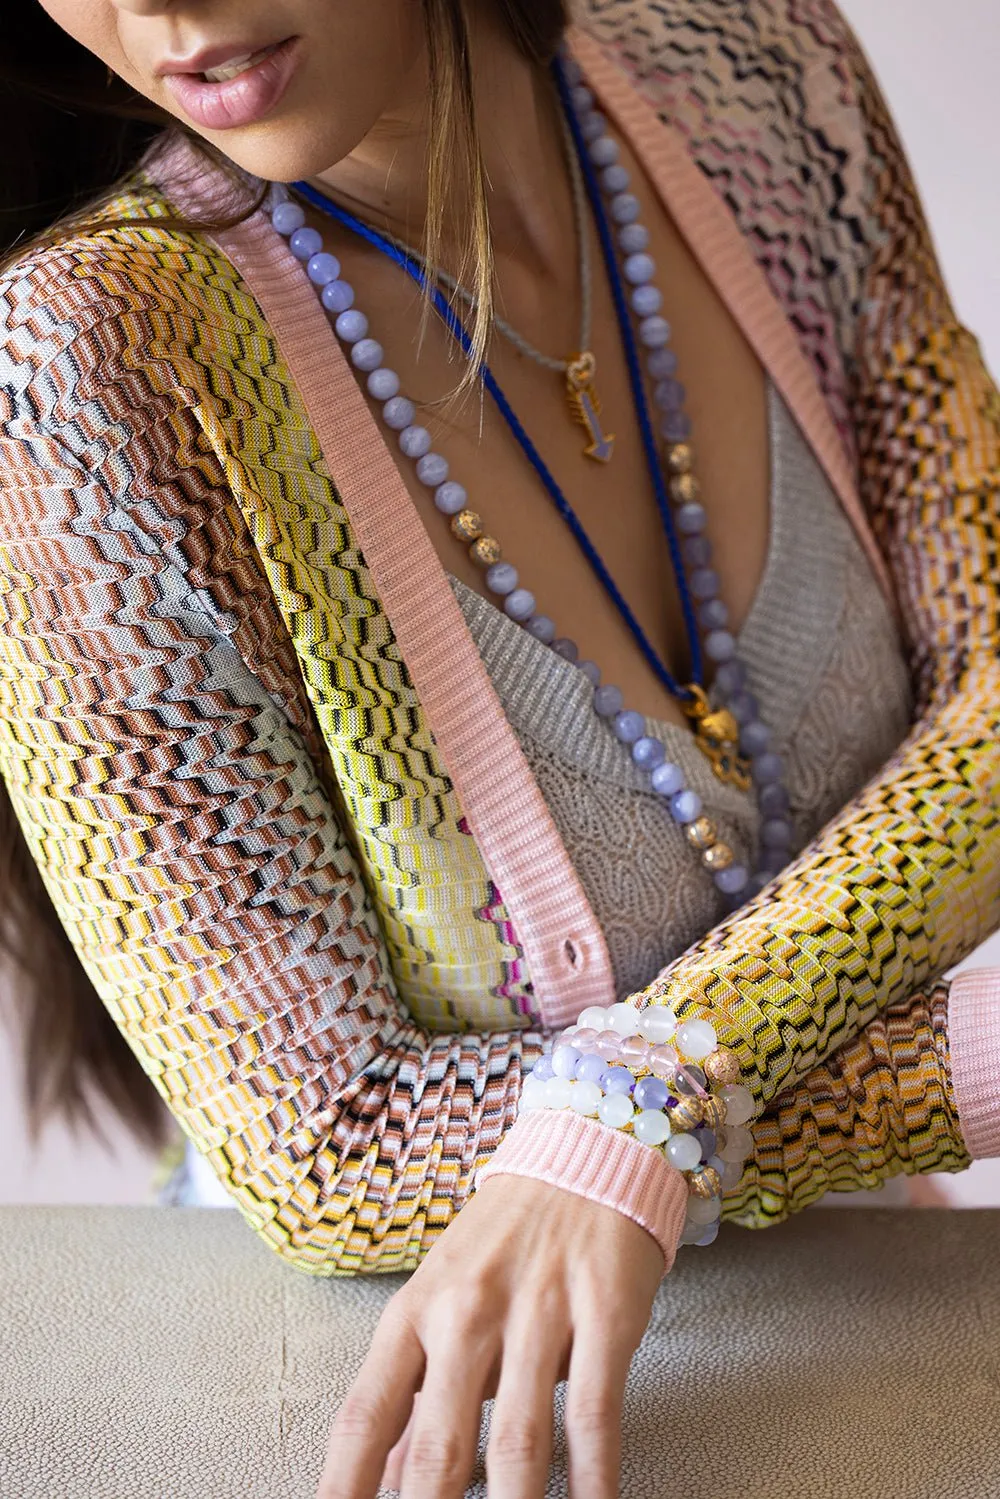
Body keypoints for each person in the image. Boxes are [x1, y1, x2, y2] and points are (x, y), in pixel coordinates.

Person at [1, 1, 997, 1494]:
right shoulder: (78, 366)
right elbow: (327, 1147)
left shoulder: (754, 67)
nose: (161, 10)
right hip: (397, 1412)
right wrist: (959, 1061)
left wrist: (656, 1083)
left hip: (868, 1339)